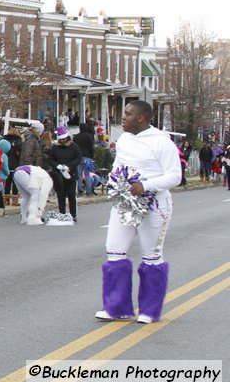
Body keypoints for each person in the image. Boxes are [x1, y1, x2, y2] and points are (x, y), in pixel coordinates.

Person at [96, 100, 181, 324]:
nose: (123, 118)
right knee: (114, 251)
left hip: (154, 205)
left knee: (151, 256)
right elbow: (118, 165)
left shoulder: (162, 143)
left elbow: (175, 177)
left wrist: (145, 186)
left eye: (127, 114)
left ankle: (149, 310)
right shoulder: (124, 139)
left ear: (141, 118)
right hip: (125, 203)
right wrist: (115, 182)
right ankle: (116, 307)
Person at [46, 126, 81, 222]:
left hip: (71, 174)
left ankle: (73, 215)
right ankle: (62, 213)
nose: (61, 141)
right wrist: (57, 166)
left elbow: (78, 158)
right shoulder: (55, 147)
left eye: (63, 139)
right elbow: (50, 159)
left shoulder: (73, 146)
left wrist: (69, 166)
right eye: (60, 139)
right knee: (61, 195)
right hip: (59, 175)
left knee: (71, 195)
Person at [73, 122, 97, 195]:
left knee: (79, 175)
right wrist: (92, 156)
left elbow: (73, 147)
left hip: (78, 157)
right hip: (87, 157)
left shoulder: (76, 137)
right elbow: (91, 147)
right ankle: (88, 191)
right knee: (87, 174)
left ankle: (80, 190)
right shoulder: (88, 136)